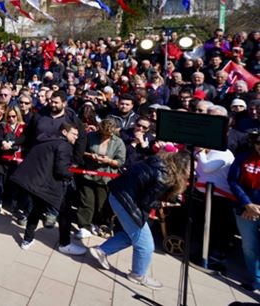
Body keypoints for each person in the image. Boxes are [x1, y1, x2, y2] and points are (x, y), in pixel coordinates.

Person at [88, 151, 191, 290]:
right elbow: (145, 202)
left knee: (131, 236)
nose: (192, 173)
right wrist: (163, 204)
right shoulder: (164, 177)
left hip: (119, 195)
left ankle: (102, 251)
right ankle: (137, 275)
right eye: (191, 169)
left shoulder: (157, 162)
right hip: (126, 202)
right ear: (182, 167)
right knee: (146, 245)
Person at [12, 122, 85, 256]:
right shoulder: (64, 145)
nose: (76, 138)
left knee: (36, 209)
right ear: (64, 132)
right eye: (74, 134)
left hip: (36, 183)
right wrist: (72, 173)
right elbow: (60, 171)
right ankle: (65, 244)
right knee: (65, 213)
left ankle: (27, 239)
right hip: (48, 185)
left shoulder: (45, 139)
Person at [228, 131, 260, 292]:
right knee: (249, 245)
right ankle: (256, 278)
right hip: (245, 208)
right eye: (258, 142)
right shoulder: (243, 157)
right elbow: (233, 181)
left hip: (256, 209)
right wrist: (247, 204)